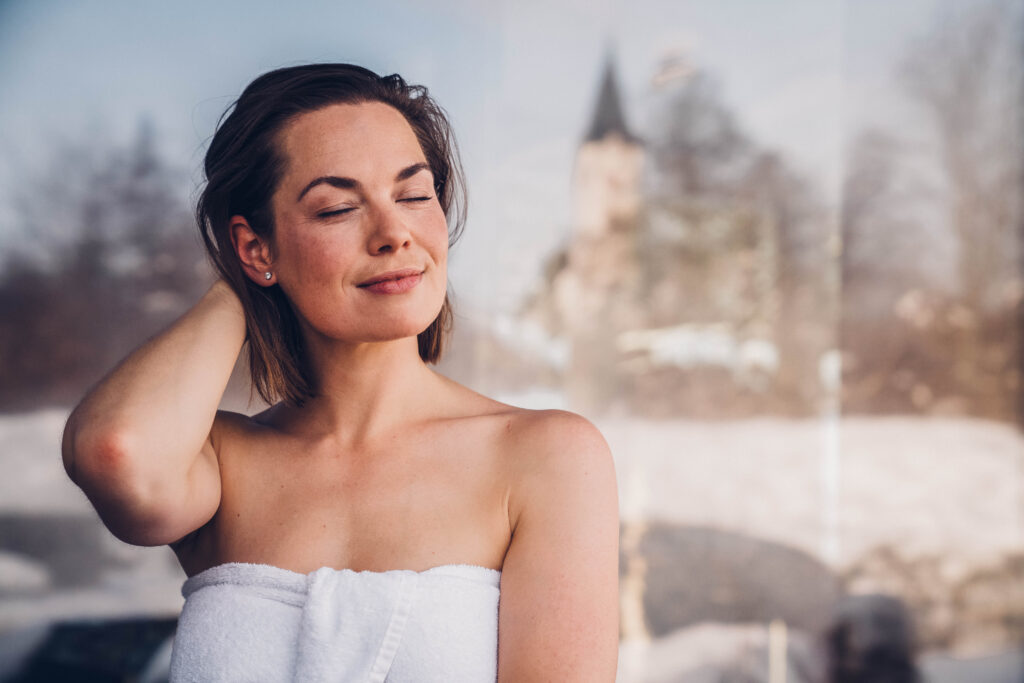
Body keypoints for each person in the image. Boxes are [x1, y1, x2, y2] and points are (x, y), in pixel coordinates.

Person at [59, 63, 620, 681]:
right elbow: (116, 453)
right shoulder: (223, 465)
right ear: (256, 248)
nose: (394, 233)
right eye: (337, 209)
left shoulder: (545, 456)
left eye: (413, 195)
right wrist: (241, 285)